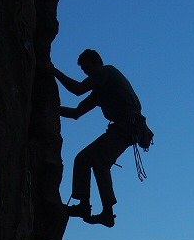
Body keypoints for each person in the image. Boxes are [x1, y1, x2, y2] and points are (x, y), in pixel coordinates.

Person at [53, 49, 152, 228]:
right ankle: (84, 206)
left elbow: (78, 89)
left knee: (101, 163)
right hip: (124, 127)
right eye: (84, 70)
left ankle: (107, 213)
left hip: (127, 126)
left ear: (97, 62)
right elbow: (76, 113)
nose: (87, 72)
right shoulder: (100, 91)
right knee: (82, 159)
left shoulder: (107, 71)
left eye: (87, 67)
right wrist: (52, 108)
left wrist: (53, 70)